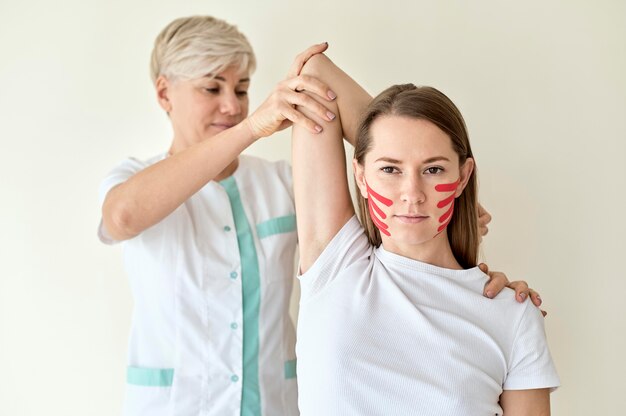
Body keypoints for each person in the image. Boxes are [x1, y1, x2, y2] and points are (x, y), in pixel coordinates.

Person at [98, 15, 538, 416]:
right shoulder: (135, 180)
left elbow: (324, 83)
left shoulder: (280, 184)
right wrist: (254, 127)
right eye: (212, 88)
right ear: (163, 93)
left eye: (243, 88)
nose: (232, 105)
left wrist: (423, 163)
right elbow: (124, 217)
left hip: (273, 404)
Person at [291, 54, 559, 415]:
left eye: (433, 169)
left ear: (462, 177)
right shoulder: (336, 268)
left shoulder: (512, 314)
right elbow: (316, 73)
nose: (412, 193)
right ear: (361, 176)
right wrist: (390, 129)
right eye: (390, 168)